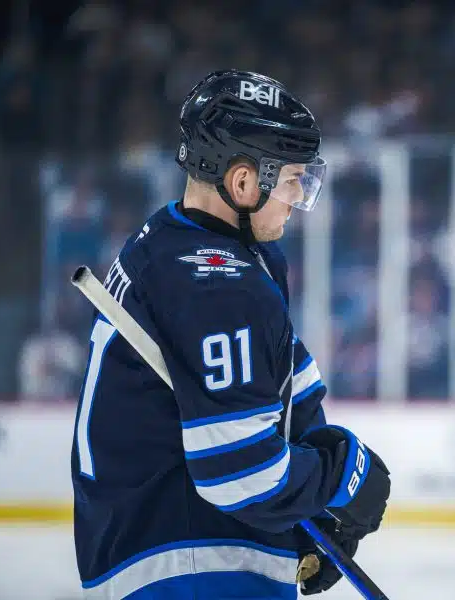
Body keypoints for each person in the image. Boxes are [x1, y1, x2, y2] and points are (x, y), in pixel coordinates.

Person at [71, 70, 391, 600]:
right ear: (243, 183)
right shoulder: (217, 285)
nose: (298, 197)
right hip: (192, 564)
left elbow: (279, 373)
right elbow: (241, 475)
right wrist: (338, 480)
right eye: (292, 180)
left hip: (182, 553)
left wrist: (317, 491)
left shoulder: (183, 241)